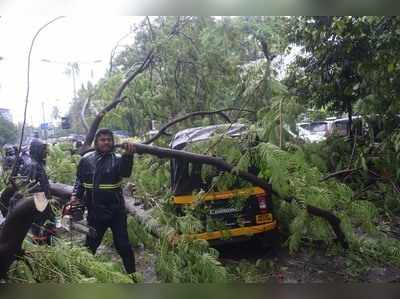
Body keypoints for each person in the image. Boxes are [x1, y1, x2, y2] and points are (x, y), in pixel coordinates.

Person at [70, 128, 136, 275]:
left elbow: (126, 172)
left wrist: (128, 156)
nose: (106, 142)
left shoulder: (118, 159)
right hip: (95, 213)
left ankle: (133, 276)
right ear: (96, 142)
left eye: (109, 140)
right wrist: (75, 195)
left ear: (113, 142)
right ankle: (81, 277)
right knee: (90, 246)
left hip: (116, 212)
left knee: (123, 246)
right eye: (103, 139)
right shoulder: (86, 160)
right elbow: (80, 180)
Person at [20, 138, 56, 245]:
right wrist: (45, 198)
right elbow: (28, 187)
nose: (46, 152)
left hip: (42, 200)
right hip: (38, 202)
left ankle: (47, 243)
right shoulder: (32, 165)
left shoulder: (38, 163)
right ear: (36, 150)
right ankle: (42, 246)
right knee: (40, 226)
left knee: (47, 225)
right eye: (43, 149)